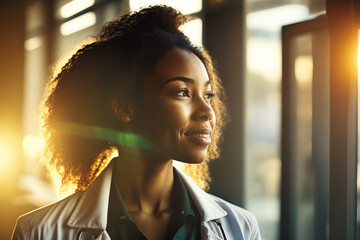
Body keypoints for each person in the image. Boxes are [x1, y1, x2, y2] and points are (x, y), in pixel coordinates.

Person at [12, 5, 261, 240]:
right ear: (124, 108)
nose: (207, 111)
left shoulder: (242, 228)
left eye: (207, 95)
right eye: (182, 92)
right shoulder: (38, 231)